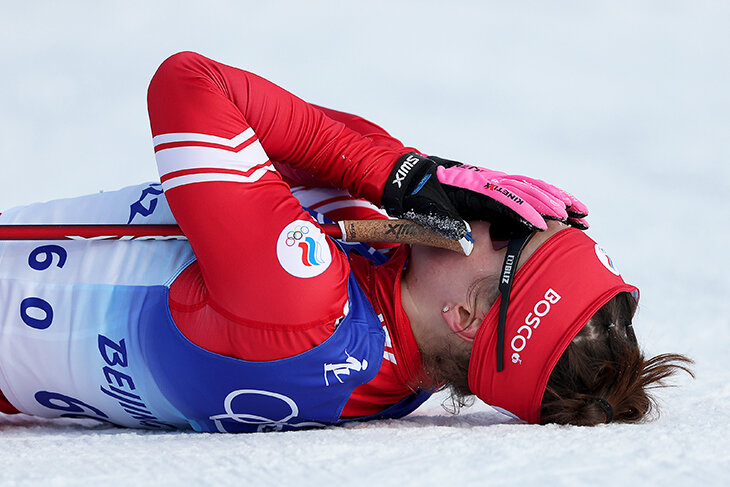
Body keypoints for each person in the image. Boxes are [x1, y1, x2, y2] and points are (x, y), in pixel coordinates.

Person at [0, 52, 691, 432]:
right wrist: (410, 180)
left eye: (510, 233)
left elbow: (192, 85)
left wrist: (400, 171)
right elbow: (308, 148)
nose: (492, 207)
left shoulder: (306, 302)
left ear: (468, 316)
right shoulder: (402, 371)